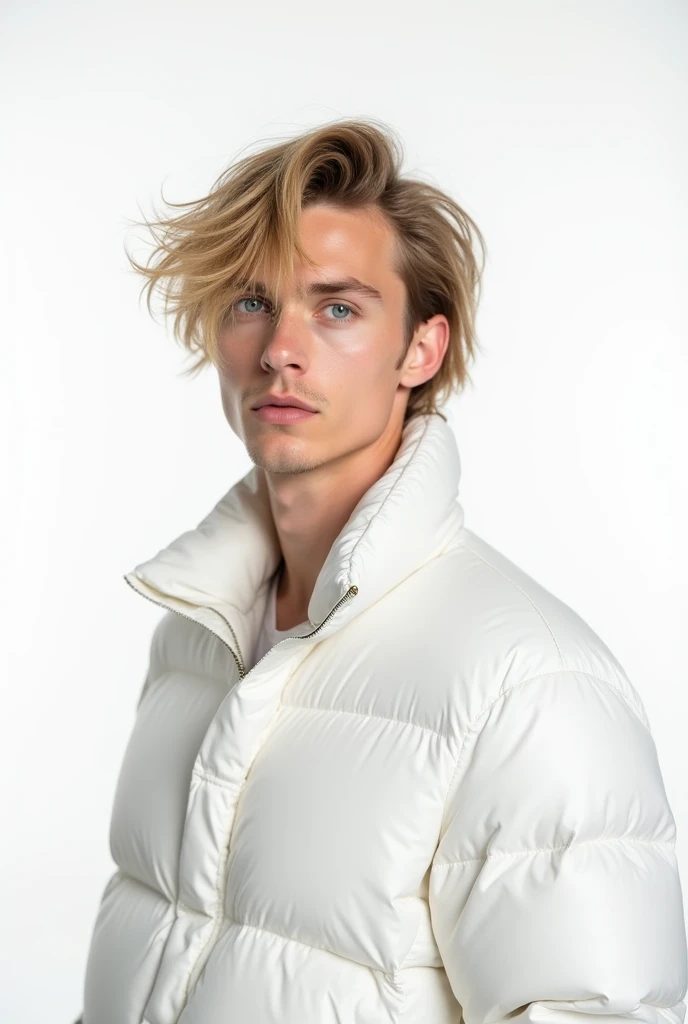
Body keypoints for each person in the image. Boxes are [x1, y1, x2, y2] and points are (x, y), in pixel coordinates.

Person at [75, 118, 687, 1024]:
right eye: (251, 302)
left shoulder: (531, 682)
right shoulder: (193, 635)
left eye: (337, 309)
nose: (281, 348)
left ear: (421, 350)